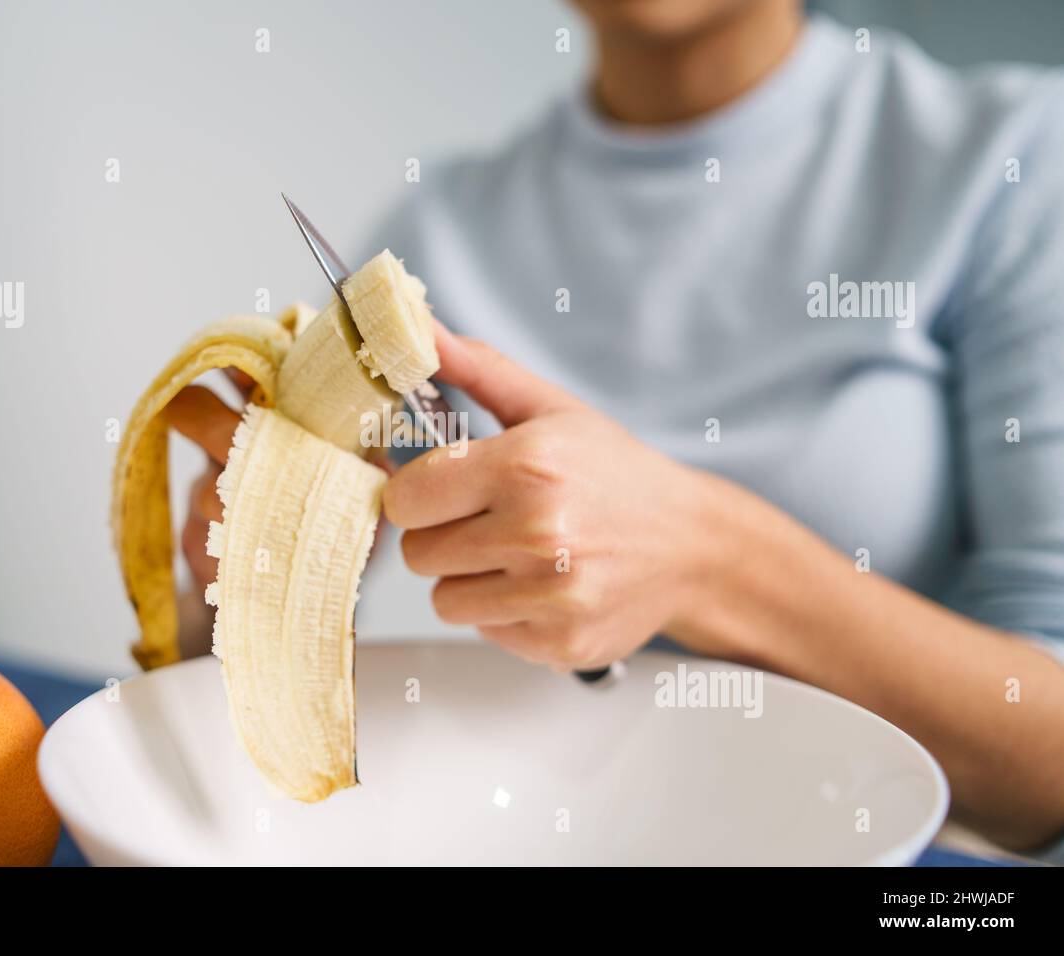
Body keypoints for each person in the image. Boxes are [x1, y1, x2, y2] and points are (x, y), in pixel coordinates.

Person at [169, 0, 1064, 857]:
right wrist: (238, 579)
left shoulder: (1018, 159)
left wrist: (710, 561)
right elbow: (220, 694)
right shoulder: (431, 230)